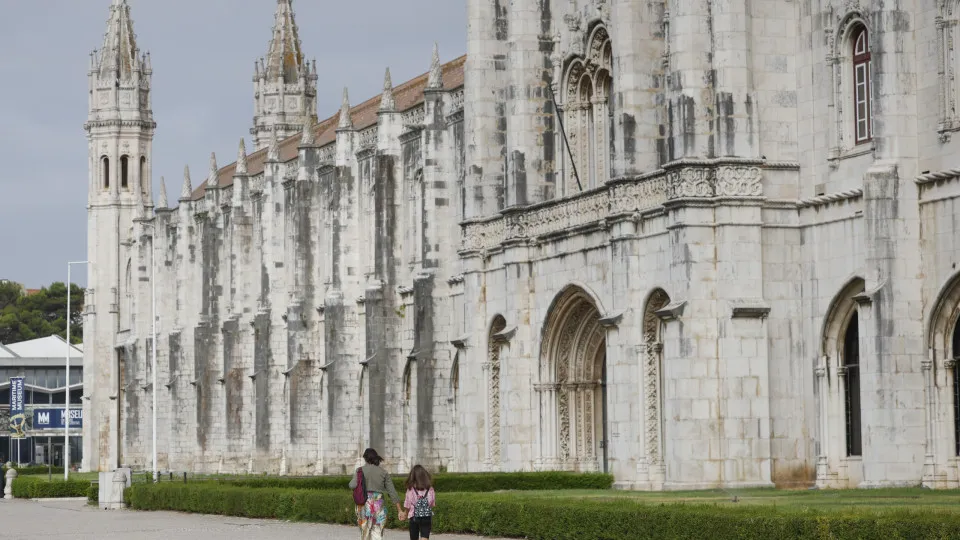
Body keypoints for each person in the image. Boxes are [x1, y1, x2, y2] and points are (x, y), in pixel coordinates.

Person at [348, 448, 402, 540]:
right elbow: (392, 492)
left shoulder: (360, 470)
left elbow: (352, 485)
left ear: (365, 458)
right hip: (379, 504)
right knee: (377, 531)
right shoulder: (383, 472)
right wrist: (400, 510)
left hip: (364, 503)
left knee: (364, 532)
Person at [401, 464, 436, 540]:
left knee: (414, 537)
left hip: (414, 516)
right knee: (425, 537)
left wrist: (405, 513)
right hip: (426, 516)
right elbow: (432, 503)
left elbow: (407, 504)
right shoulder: (430, 488)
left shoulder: (410, 489)